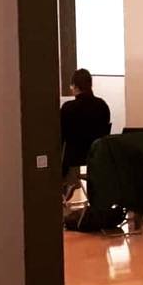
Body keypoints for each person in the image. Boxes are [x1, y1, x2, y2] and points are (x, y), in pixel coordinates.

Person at [60, 68, 112, 197]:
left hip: (73, 159)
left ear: (75, 86)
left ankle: (67, 188)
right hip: (97, 159)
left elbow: (61, 137)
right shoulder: (102, 106)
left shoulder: (68, 108)